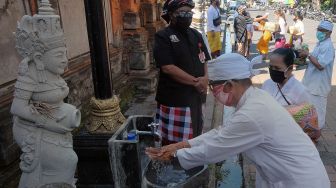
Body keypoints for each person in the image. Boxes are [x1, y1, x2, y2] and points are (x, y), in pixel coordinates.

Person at [146, 53, 330, 188]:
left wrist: (173, 156)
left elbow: (214, 150)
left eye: (213, 87)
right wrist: (181, 145)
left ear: (229, 85)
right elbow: (222, 132)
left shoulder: (253, 113)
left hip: (300, 180)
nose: (212, 92)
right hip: (283, 175)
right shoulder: (254, 98)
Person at [154, 0, 211, 145]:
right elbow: (167, 67)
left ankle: (194, 164)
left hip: (197, 96)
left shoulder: (196, 34)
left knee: (196, 134)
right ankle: (172, 165)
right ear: (172, 15)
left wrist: (205, 78)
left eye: (189, 12)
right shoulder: (163, 36)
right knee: (173, 144)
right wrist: (196, 82)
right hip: (175, 98)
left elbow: (204, 59)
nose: (187, 16)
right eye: (182, 12)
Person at [300, 20, 335, 129]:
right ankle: (310, 131)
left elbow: (320, 65)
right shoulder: (320, 44)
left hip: (319, 87)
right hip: (311, 84)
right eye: (318, 29)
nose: (319, 32)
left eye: (322, 30)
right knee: (309, 111)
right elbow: (314, 61)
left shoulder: (328, 46)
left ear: (329, 32)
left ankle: (316, 133)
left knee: (318, 113)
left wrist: (308, 55)